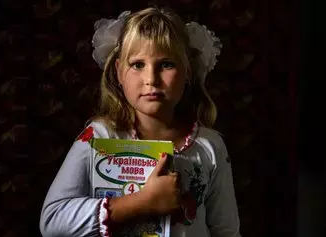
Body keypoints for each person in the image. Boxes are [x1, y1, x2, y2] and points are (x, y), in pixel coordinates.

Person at [39, 7, 241, 237]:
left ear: (188, 72)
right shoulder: (99, 137)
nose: (151, 79)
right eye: (137, 64)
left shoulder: (209, 145)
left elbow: (226, 230)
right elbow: (52, 221)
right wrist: (141, 202)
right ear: (118, 71)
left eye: (166, 64)